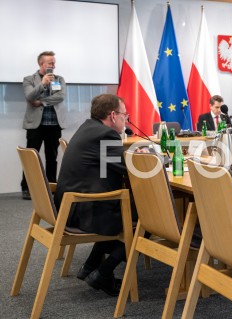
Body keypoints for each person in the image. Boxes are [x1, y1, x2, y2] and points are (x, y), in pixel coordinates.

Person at [54, 94, 134, 297]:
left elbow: (112, 167)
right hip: (84, 210)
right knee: (150, 217)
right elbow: (129, 170)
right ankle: (103, 272)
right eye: (125, 115)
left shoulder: (89, 128)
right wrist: (155, 162)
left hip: (70, 206)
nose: (127, 119)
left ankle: (91, 266)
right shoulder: (106, 135)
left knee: (136, 208)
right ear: (113, 115)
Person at [21, 51, 66, 200]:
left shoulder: (58, 79)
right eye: (50, 63)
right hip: (36, 125)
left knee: (51, 157)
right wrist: (42, 84)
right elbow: (29, 96)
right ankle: (26, 188)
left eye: (54, 62)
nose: (53, 65)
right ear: (41, 64)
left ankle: (52, 186)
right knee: (31, 157)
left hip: (54, 125)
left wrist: (41, 101)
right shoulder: (29, 79)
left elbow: (59, 97)